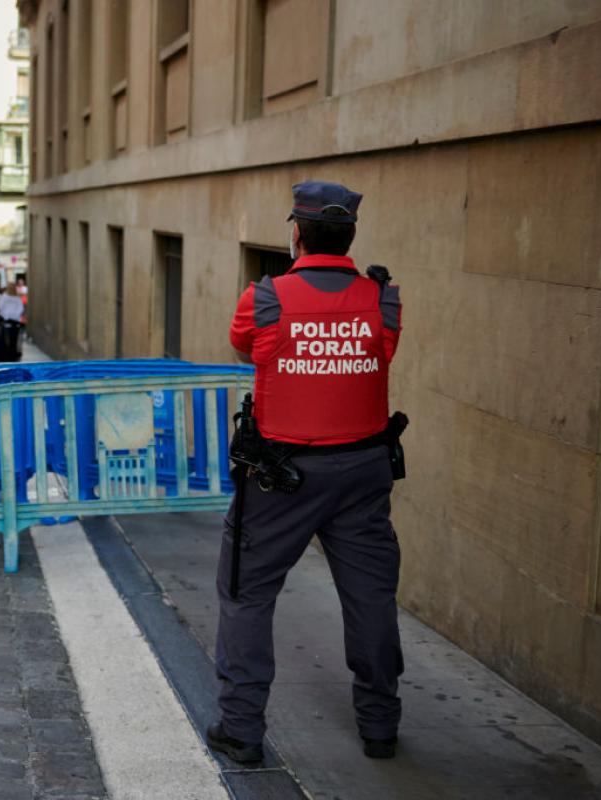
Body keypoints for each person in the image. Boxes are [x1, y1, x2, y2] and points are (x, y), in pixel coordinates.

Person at [208, 181, 404, 767]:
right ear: (350, 235)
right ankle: (380, 727)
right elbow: (382, 352)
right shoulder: (382, 299)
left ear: (296, 234)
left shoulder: (264, 297)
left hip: (280, 477)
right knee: (370, 597)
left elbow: (245, 347)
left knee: (246, 594)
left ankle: (241, 730)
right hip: (363, 471)